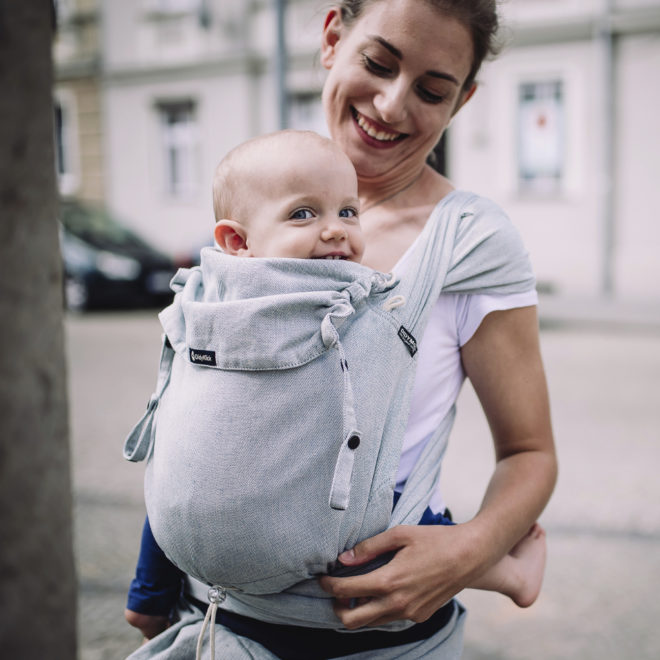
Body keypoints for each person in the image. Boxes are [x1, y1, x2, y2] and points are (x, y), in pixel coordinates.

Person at [126, 0, 557, 657]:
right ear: (332, 36)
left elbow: (531, 453)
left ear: (463, 101)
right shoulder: (260, 192)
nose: (390, 105)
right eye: (378, 63)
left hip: (377, 638)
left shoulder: (469, 242)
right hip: (216, 624)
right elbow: (202, 415)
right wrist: (153, 582)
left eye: (432, 90)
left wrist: (467, 553)